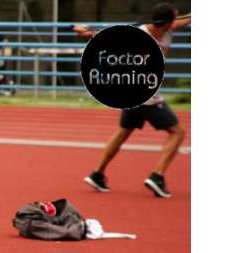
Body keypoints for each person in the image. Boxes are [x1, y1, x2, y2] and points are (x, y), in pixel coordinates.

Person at [74, 3, 191, 198]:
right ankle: (157, 176)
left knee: (123, 133)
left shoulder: (167, 28)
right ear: (168, 22)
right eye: (175, 18)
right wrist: (86, 33)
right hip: (144, 95)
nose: (178, 21)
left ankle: (97, 174)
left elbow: (185, 19)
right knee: (178, 132)